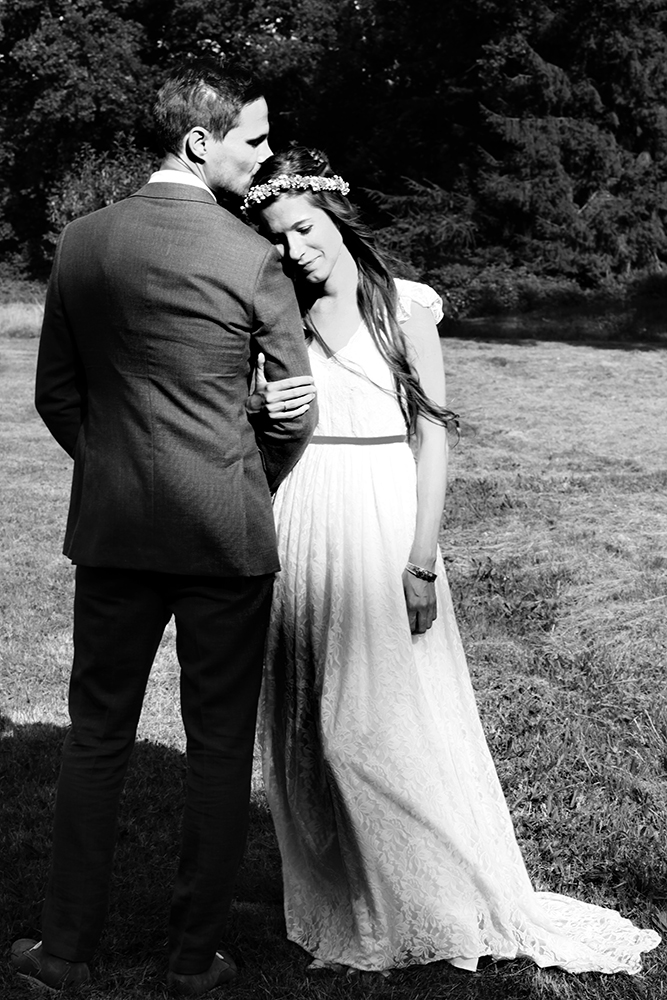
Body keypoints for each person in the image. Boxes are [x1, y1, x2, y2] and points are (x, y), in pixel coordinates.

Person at [243, 147, 661, 976]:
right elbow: (261, 422)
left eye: (303, 229)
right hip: (297, 510)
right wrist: (257, 406)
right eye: (277, 239)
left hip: (380, 510)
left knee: (367, 723)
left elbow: (430, 439)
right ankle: (343, 893)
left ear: (335, 219)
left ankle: (428, 899)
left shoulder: (403, 305)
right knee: (304, 718)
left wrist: (420, 560)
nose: (294, 250)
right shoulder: (277, 314)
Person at [11, 69, 317, 996]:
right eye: (253, 140)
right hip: (224, 537)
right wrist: (242, 482)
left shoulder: (83, 241)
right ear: (199, 142)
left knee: (95, 737)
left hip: (116, 535)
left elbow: (56, 394)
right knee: (218, 748)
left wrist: (115, 472)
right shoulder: (250, 256)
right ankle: (192, 961)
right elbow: (294, 410)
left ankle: (63, 953)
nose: (265, 155)